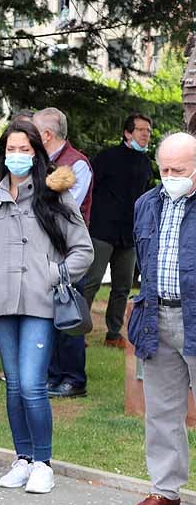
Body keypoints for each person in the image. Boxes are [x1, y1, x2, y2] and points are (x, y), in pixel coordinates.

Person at [0, 120, 92, 495]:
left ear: (37, 153)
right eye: (11, 149)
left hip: (41, 302)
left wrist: (52, 275)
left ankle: (43, 462)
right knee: (13, 387)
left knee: (31, 384)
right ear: (2, 153)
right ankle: (22, 459)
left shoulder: (55, 195)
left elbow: (83, 250)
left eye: (25, 150)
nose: (17, 156)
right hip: (2, 300)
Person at [130, 132, 196, 505]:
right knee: (161, 410)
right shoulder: (146, 204)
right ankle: (165, 488)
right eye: (165, 168)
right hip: (156, 315)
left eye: (180, 170)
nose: (170, 175)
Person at [32, 108, 94, 400]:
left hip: (68, 254)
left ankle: (73, 378)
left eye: (33, 131)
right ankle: (53, 374)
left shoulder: (77, 165)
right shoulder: (39, 163)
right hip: (42, 253)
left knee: (69, 315)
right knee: (48, 315)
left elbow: (64, 209)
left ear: (46, 134)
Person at [83, 113, 153, 349]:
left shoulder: (145, 164)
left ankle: (113, 334)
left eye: (148, 131)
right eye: (141, 130)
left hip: (129, 234)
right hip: (102, 231)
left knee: (122, 286)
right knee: (90, 282)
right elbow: (89, 189)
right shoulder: (106, 157)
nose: (146, 134)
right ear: (127, 133)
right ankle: (76, 331)